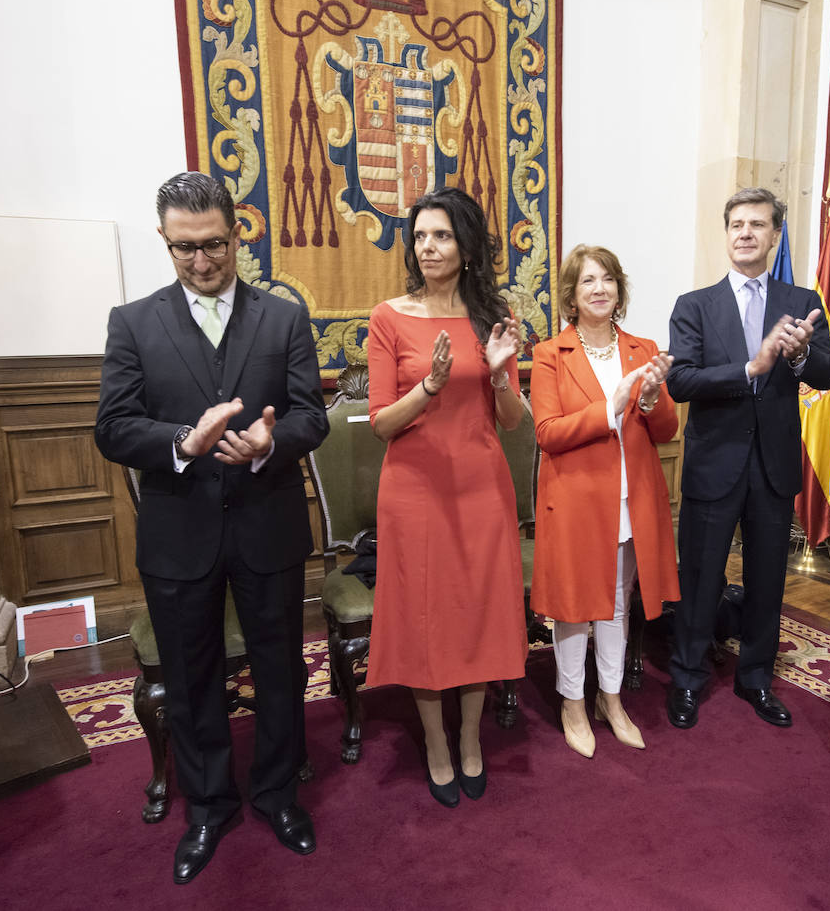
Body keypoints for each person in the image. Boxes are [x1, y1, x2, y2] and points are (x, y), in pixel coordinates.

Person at [95, 172, 328, 883]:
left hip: (268, 520)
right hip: (179, 529)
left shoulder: (284, 318)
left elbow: (309, 416)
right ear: (165, 241)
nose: (202, 262)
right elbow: (113, 426)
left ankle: (279, 792)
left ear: (239, 232)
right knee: (192, 678)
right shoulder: (132, 322)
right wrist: (182, 443)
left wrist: (271, 444)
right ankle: (208, 806)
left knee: (281, 666)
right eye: (184, 248)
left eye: (215, 245)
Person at [366, 186, 526, 807]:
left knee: (475, 613)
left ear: (466, 248)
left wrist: (498, 374)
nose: (427, 246)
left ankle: (470, 741)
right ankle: (435, 744)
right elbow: (381, 421)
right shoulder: (388, 316)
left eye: (442, 236)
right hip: (414, 489)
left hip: (481, 487)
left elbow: (511, 420)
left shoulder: (491, 316)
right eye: (421, 235)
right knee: (426, 618)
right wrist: (429, 386)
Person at [665, 187, 830, 730]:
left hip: (773, 465)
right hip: (713, 463)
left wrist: (802, 353)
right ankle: (688, 678)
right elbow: (680, 381)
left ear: (774, 235)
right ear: (726, 234)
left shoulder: (800, 300)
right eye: (737, 224)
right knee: (700, 579)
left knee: (768, 580)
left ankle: (756, 679)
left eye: (757, 224)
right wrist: (752, 366)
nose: (746, 233)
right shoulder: (694, 304)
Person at [530, 245, 679, 758]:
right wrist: (610, 406)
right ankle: (572, 701)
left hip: (630, 499)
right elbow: (548, 433)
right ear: (571, 296)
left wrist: (652, 400)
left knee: (617, 603)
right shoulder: (550, 354)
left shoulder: (643, 348)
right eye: (588, 281)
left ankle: (610, 699)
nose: (599, 288)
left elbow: (666, 429)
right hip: (573, 503)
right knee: (574, 608)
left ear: (619, 289)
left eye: (608, 279)